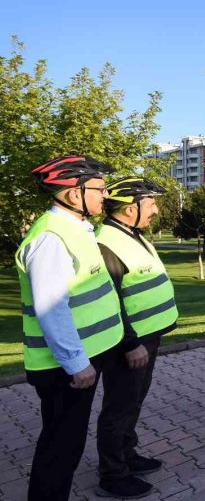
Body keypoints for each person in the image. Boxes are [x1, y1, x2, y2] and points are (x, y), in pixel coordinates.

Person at [16, 155, 124, 501]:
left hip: (79, 361)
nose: (105, 194)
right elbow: (51, 308)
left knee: (67, 445)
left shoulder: (76, 229)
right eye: (99, 188)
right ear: (74, 194)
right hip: (63, 369)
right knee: (60, 451)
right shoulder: (50, 237)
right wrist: (77, 363)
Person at [94, 177, 177, 499]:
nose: (156, 209)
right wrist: (130, 343)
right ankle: (112, 475)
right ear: (131, 209)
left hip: (147, 337)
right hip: (130, 343)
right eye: (151, 203)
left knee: (133, 403)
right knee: (119, 407)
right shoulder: (107, 243)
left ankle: (127, 454)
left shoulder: (130, 235)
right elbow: (110, 299)